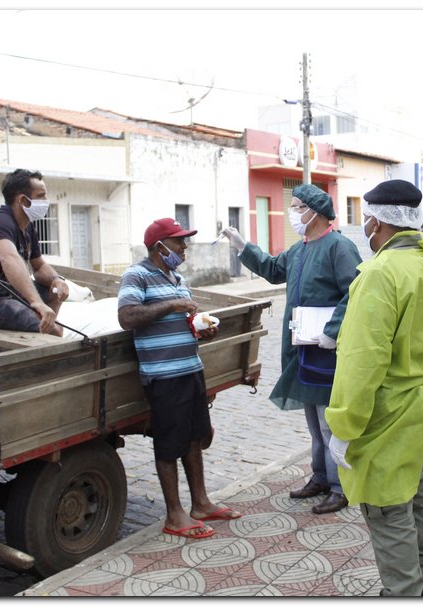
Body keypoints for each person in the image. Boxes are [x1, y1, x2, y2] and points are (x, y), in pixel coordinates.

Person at [324, 180, 423, 597]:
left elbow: (362, 359)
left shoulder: (381, 273)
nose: (364, 226)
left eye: (365, 218)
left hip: (389, 415)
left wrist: (344, 426)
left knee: (387, 507)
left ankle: (402, 591)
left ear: (377, 221)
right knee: (421, 495)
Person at [221, 184, 362, 514]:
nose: (293, 212)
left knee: (331, 423)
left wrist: (333, 331)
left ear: (314, 211)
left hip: (329, 348)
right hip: (303, 347)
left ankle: (342, 487)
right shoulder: (300, 249)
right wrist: (243, 246)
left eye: (297, 206)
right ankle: (321, 477)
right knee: (313, 420)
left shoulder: (339, 247)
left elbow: (354, 292)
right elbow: (273, 270)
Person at [118, 218, 242, 539]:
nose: (184, 248)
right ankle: (175, 515)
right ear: (160, 247)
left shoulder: (178, 278)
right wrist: (173, 303)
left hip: (190, 369)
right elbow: (127, 316)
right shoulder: (137, 275)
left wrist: (201, 330)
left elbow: (179, 323)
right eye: (179, 242)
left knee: (193, 438)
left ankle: (200, 503)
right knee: (169, 443)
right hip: (163, 376)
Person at [0, 169, 69, 336]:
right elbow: (9, 258)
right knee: (57, 331)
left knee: (54, 292)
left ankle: (42, 327)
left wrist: (57, 280)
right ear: (23, 200)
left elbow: (39, 266)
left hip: (6, 295)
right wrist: (36, 302)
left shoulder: (27, 227)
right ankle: (45, 332)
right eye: (41, 196)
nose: (46, 201)